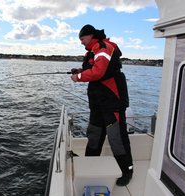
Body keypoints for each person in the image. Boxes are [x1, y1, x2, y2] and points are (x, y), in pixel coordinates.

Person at [70, 24, 133, 186]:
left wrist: (79, 78)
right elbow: (94, 68)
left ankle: (126, 171)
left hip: (112, 102)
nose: (81, 42)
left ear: (90, 35)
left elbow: (99, 72)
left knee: (116, 137)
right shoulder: (94, 50)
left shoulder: (103, 47)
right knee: (94, 134)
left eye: (82, 39)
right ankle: (90, 164)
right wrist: (80, 70)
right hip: (98, 103)